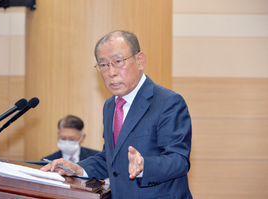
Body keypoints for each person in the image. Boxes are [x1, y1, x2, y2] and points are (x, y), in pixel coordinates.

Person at [41, 30, 192, 198]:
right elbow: (110, 159)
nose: (111, 72)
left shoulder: (168, 102)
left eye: (118, 61)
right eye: (104, 65)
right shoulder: (111, 105)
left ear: (140, 60)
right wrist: (77, 168)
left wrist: (144, 165)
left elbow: (179, 160)